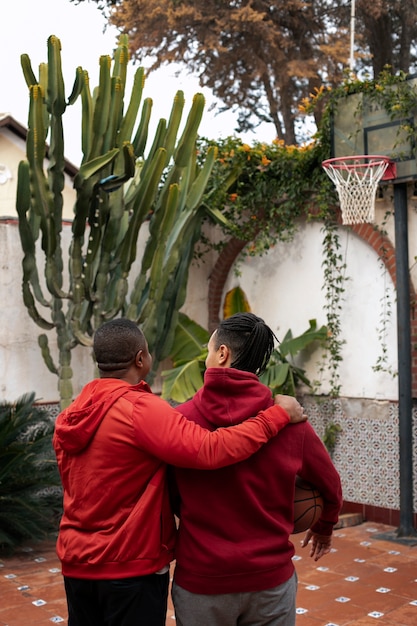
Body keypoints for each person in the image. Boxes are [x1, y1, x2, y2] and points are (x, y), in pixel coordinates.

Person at [52, 317, 306, 626]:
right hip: (130, 567)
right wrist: (276, 415)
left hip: (77, 564)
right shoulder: (140, 410)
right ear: (141, 359)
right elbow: (210, 449)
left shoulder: (73, 412)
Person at [171, 312, 343, 626]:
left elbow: (167, 494)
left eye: (210, 350)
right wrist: (324, 526)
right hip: (270, 582)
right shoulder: (292, 422)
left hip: (202, 581)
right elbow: (330, 485)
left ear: (222, 354)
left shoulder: (180, 421)